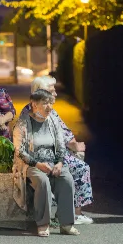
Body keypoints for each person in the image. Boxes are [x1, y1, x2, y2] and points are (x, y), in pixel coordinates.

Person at [20, 76, 93, 224]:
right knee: (79, 168)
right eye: (52, 90)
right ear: (42, 92)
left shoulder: (50, 111)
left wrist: (74, 145)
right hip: (39, 156)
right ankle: (74, 213)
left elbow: (64, 134)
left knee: (79, 166)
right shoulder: (28, 112)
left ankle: (70, 213)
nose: (55, 93)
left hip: (55, 154)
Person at [13, 89, 80, 237]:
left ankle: (66, 224)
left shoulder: (53, 121)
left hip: (53, 162)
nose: (49, 107)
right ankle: (43, 223)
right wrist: (38, 165)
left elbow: (61, 145)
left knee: (67, 179)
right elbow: (20, 151)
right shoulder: (23, 123)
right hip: (32, 165)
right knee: (43, 181)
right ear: (34, 104)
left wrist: (60, 163)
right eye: (45, 103)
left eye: (51, 103)